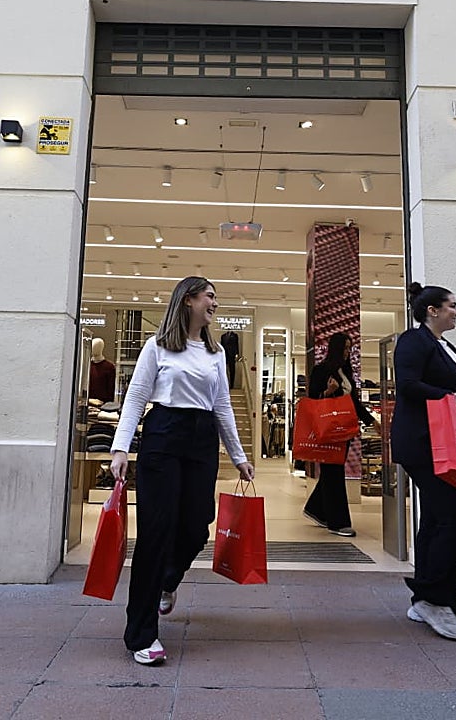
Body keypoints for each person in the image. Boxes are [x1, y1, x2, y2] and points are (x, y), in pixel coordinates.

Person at [110, 276, 254, 665]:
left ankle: (168, 580)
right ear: (188, 300)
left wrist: (239, 457)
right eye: (210, 297)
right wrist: (121, 447)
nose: (215, 304)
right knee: (156, 531)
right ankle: (141, 634)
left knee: (196, 525)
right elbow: (137, 396)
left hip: (202, 440)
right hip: (163, 436)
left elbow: (223, 406)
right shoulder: (156, 347)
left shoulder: (215, 353)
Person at [390, 282, 456, 641]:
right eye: (452, 306)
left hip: (449, 443)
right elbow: (409, 385)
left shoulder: (445, 346)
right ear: (432, 310)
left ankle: (428, 599)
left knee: (436, 519)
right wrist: (452, 397)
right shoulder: (414, 341)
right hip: (424, 443)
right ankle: (433, 596)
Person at [302, 332, 377, 537]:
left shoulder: (345, 372)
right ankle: (338, 522)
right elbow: (313, 400)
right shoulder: (321, 371)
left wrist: (371, 421)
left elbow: (354, 402)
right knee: (334, 473)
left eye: (349, 348)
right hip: (328, 431)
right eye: (344, 348)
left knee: (331, 472)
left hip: (343, 431)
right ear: (335, 349)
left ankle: (316, 509)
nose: (347, 353)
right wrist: (327, 393)